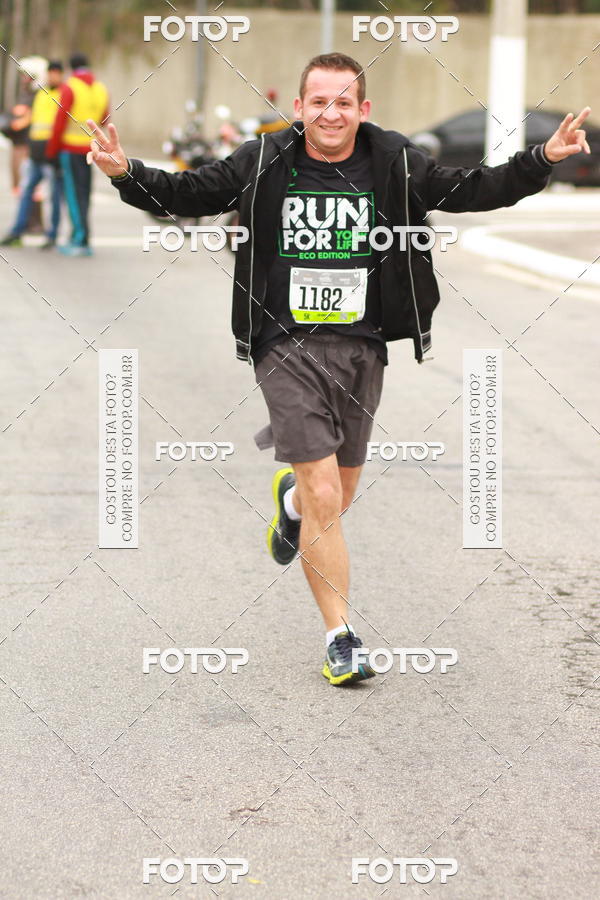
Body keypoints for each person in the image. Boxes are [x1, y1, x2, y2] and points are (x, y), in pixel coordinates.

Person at [87, 53, 591, 687]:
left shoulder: (395, 162)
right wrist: (125, 172)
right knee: (329, 493)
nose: (331, 114)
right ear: (299, 108)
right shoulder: (264, 159)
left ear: (363, 110)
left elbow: (472, 190)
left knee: (336, 496)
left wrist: (541, 160)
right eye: (319, 102)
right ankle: (340, 637)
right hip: (284, 341)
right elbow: (191, 193)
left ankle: (292, 505)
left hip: (362, 343)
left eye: (344, 103)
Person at [45, 53, 109, 256]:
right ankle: (84, 236)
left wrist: (51, 151)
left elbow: (60, 121)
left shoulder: (70, 86)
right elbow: (105, 119)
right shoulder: (100, 88)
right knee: (85, 194)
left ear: (71, 68)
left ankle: (79, 239)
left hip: (70, 150)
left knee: (73, 195)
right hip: (91, 149)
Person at [1, 61, 65, 249]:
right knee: (26, 191)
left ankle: (51, 235)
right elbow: (31, 122)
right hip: (35, 153)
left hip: (51, 155)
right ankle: (17, 232)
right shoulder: (40, 95)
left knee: (54, 195)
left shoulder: (62, 94)